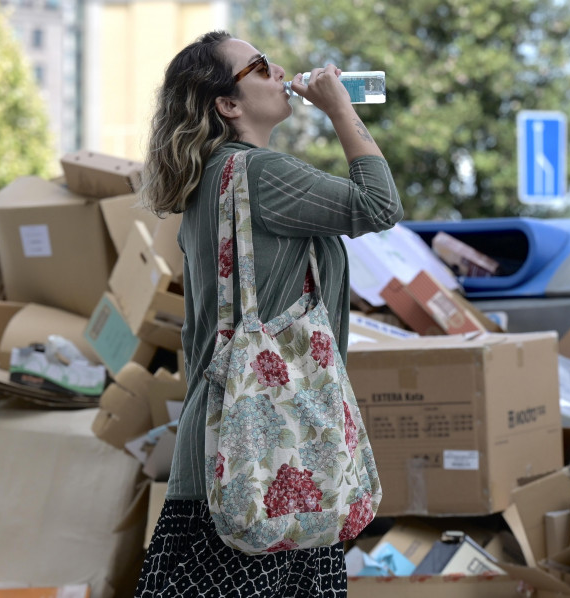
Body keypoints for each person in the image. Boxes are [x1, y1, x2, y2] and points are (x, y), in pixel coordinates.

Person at [136, 31, 403, 597]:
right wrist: (340, 110)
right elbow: (380, 204)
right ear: (228, 106)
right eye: (259, 66)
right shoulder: (260, 175)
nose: (279, 68)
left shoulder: (211, 182)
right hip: (269, 457)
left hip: (233, 448)